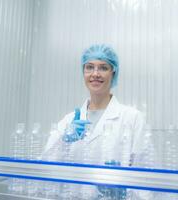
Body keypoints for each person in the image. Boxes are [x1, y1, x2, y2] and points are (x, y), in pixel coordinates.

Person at [43, 44, 147, 199]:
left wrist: (128, 193)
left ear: (114, 72)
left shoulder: (132, 118)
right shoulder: (69, 121)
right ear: (83, 72)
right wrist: (64, 141)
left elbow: (145, 174)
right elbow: (45, 167)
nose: (95, 74)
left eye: (103, 68)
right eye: (89, 67)